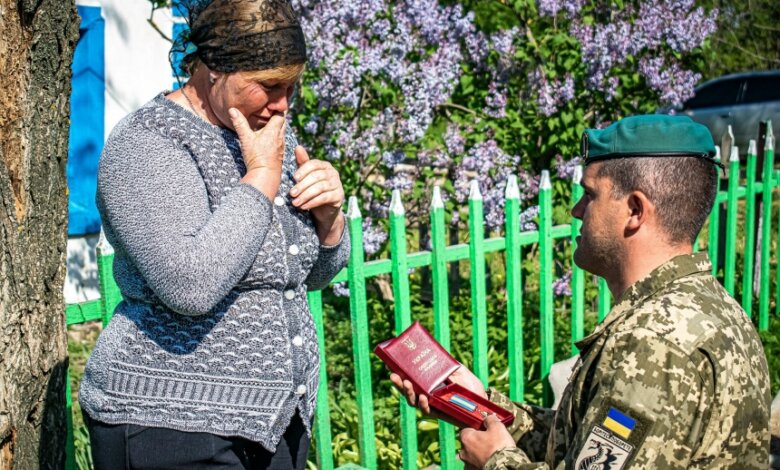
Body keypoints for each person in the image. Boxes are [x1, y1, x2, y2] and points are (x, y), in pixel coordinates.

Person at [392, 115, 771, 469]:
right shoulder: (707, 305)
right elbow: (585, 444)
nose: (576, 210)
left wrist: (497, 460)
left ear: (635, 210)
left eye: (590, 195)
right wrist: (479, 404)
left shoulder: (653, 344)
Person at [79, 1, 349, 468]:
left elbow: (302, 277)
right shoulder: (148, 145)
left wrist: (330, 223)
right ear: (214, 69)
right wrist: (262, 176)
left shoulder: (261, 129)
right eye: (268, 86)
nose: (283, 103)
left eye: (290, 87)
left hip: (273, 422)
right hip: (169, 423)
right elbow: (190, 285)